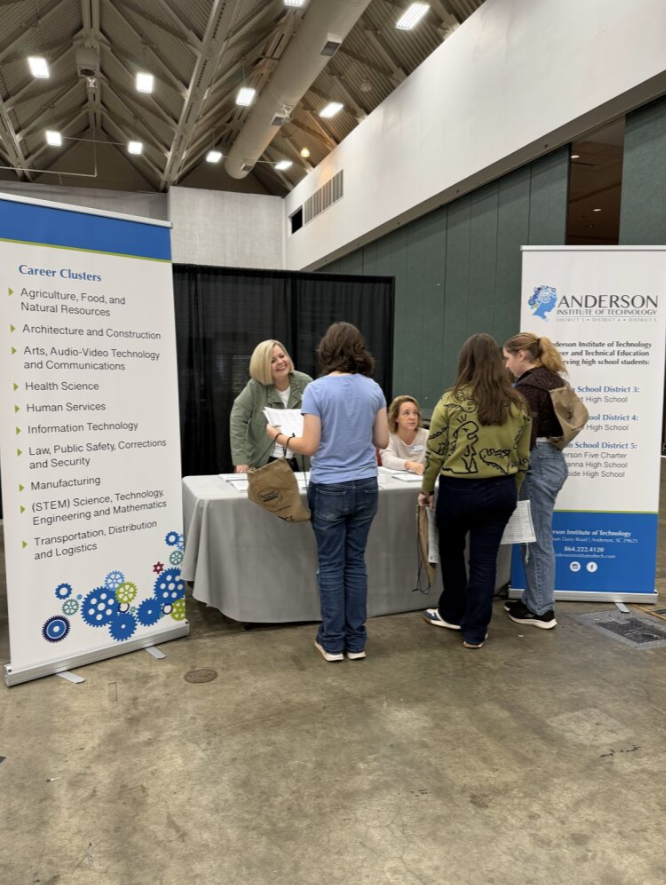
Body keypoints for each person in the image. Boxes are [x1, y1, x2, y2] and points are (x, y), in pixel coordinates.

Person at [266, 322, 388, 662]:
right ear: (359, 350)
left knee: (331, 566)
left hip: (330, 487)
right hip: (366, 485)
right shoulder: (373, 389)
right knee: (356, 564)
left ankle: (333, 642)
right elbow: (381, 441)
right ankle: (357, 641)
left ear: (327, 350)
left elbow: (310, 446)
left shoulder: (317, 390)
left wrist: (278, 436)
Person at [419, 333, 532, 649]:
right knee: (485, 562)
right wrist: (512, 488)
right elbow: (523, 458)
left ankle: (453, 613)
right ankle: (475, 631)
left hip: (458, 490)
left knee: (452, 552)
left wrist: (427, 489)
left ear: (464, 362)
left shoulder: (450, 400)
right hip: (501, 490)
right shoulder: (517, 403)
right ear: (498, 362)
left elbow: (436, 452)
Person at [502, 332, 569, 629]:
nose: (506, 366)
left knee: (537, 537)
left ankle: (542, 609)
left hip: (537, 462)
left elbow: (522, 437)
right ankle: (533, 598)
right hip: (552, 459)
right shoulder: (553, 380)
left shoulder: (528, 388)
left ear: (521, 355)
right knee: (535, 534)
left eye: (507, 358)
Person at [230, 340, 312, 473]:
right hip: (265, 462)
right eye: (272, 360)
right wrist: (241, 460)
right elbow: (237, 419)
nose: (280, 362)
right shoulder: (255, 387)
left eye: (282, 356)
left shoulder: (305, 382)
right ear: (262, 366)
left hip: (300, 460)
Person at [380, 396, 429, 474]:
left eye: (415, 413)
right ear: (396, 417)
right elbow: (387, 459)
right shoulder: (388, 436)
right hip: (396, 483)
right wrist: (408, 464)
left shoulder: (428, 436)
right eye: (406, 413)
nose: (412, 417)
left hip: (423, 480)